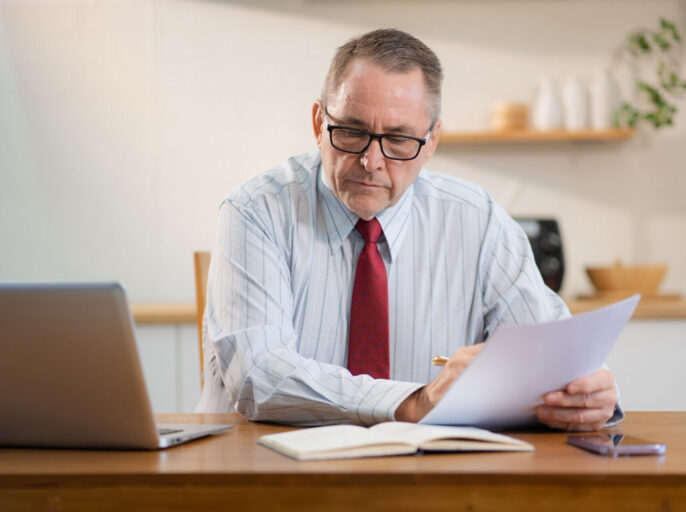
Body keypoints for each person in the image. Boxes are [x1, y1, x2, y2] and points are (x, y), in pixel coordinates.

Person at [196, 28, 622, 431]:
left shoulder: (480, 221)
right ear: (318, 123)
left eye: (398, 140)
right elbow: (258, 375)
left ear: (431, 140)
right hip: (265, 474)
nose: (371, 161)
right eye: (351, 131)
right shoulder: (256, 211)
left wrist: (585, 395)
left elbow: (548, 359)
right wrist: (414, 401)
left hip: (431, 481)